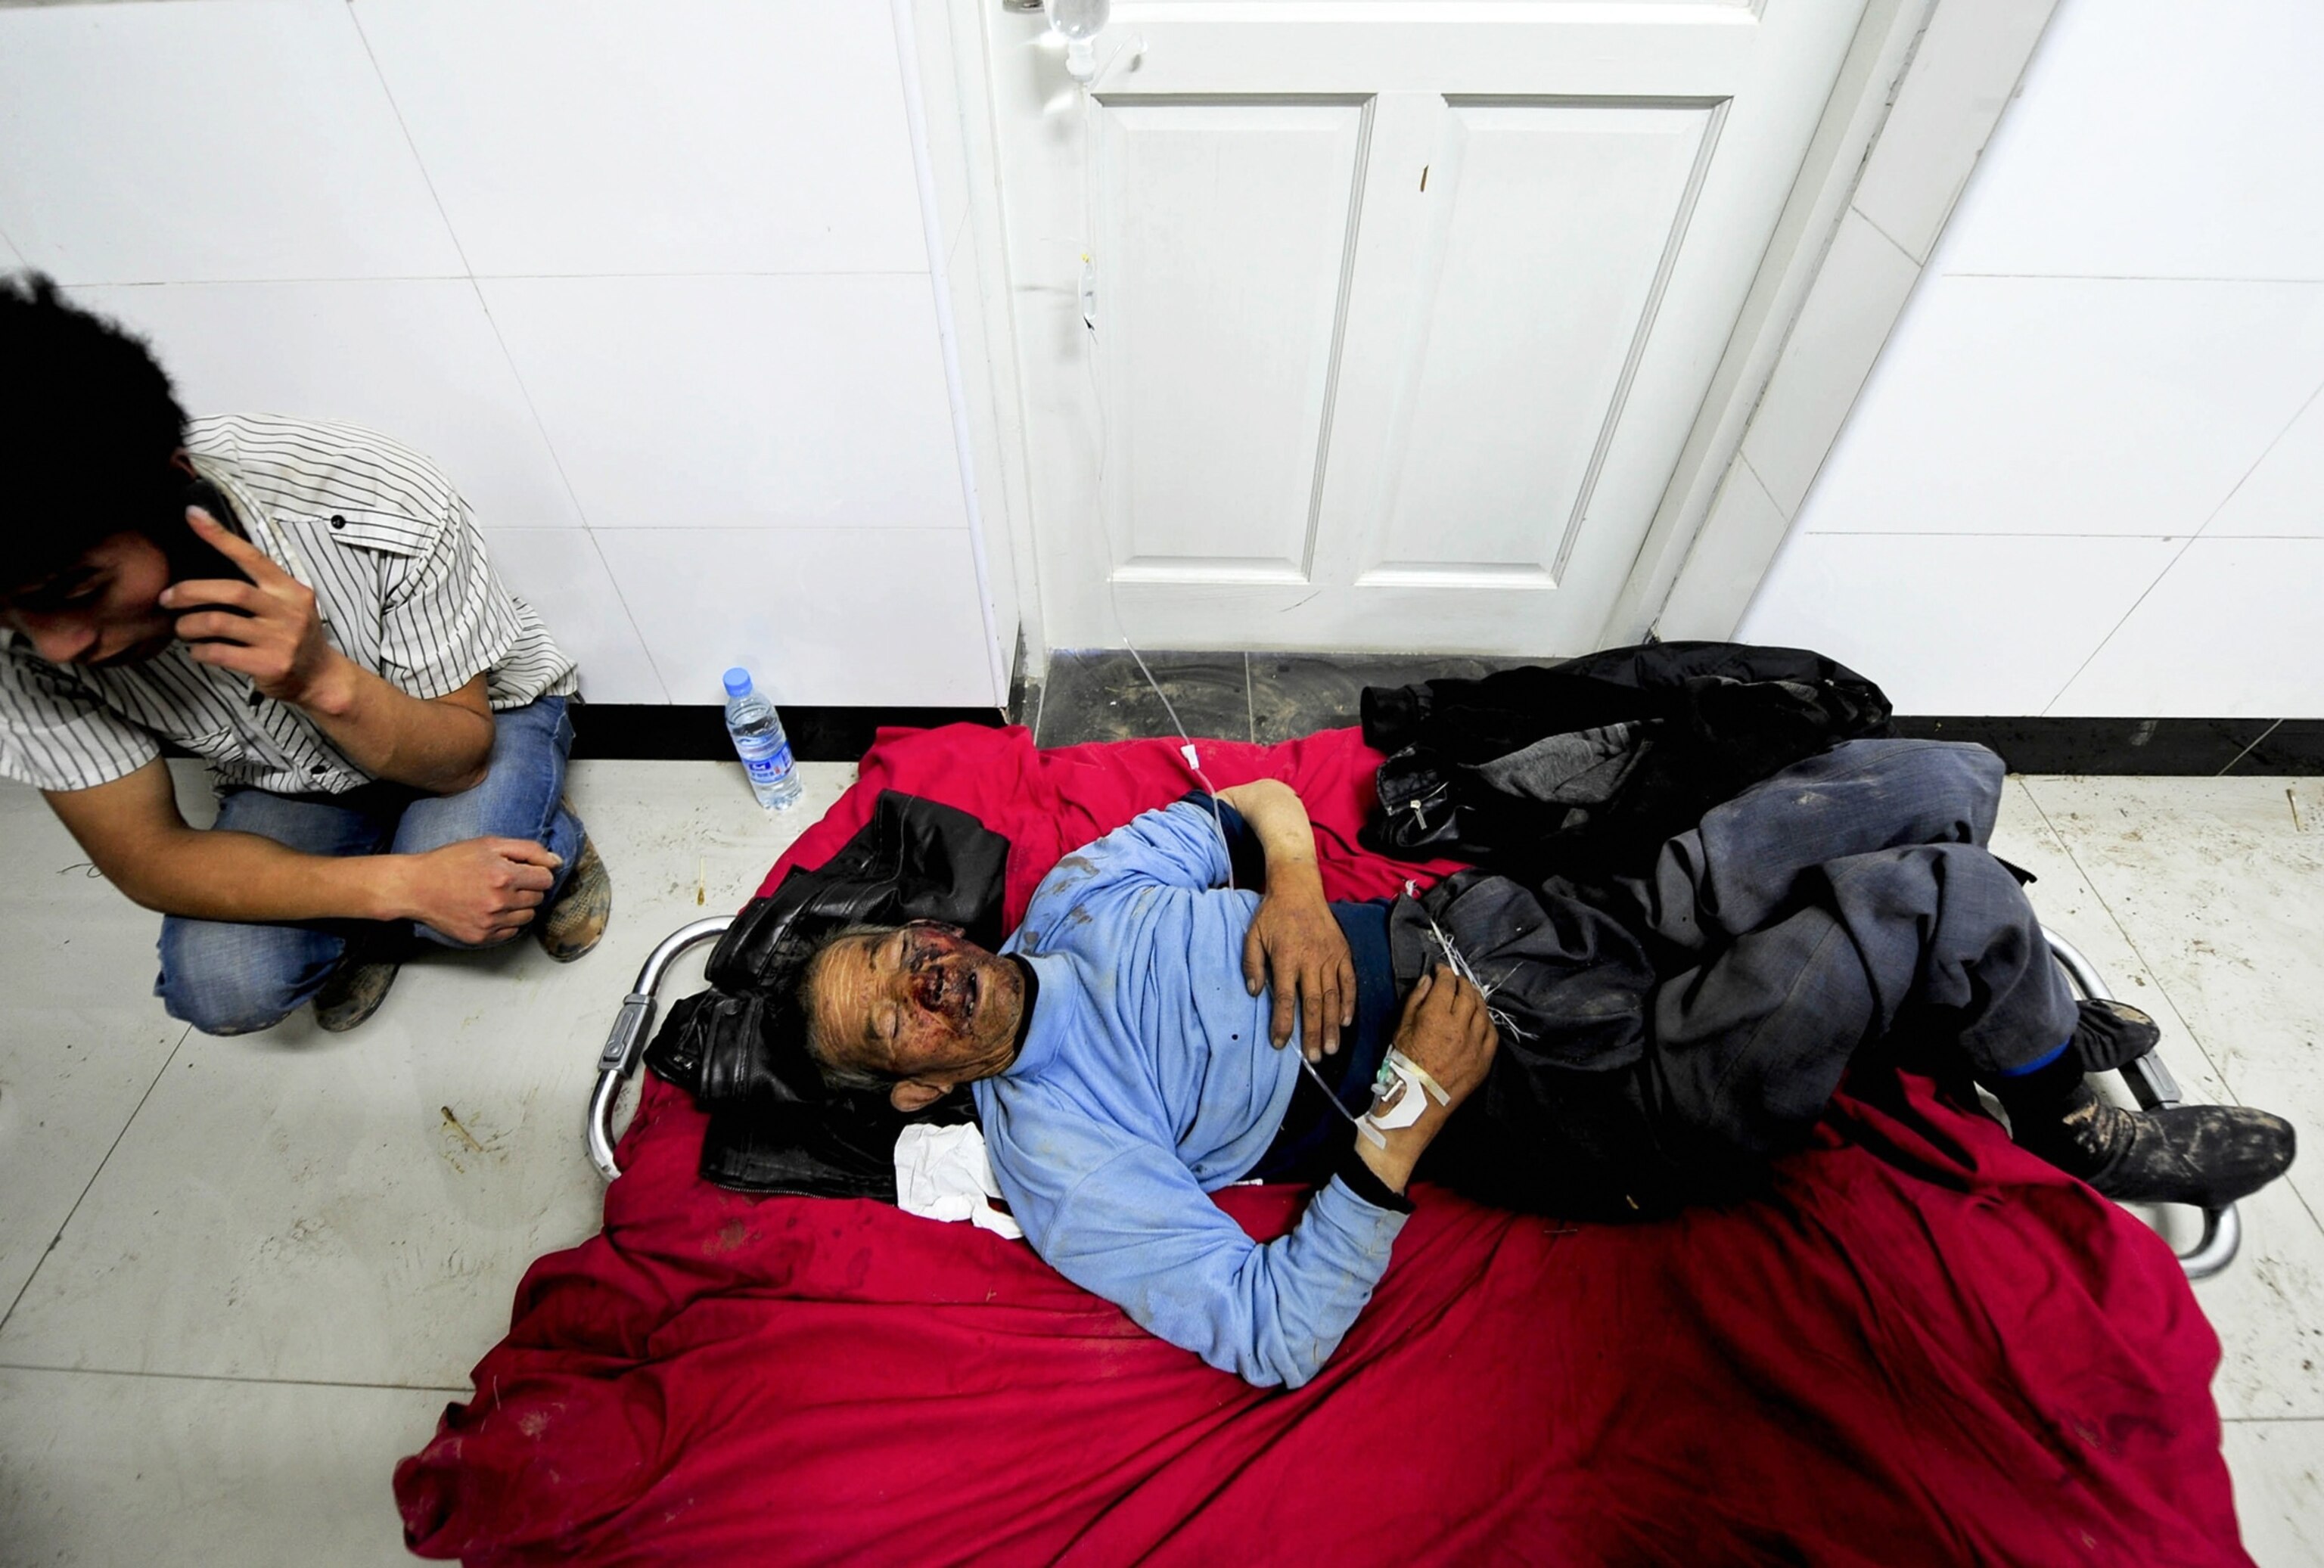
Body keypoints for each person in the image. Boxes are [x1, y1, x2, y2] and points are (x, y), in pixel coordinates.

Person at [792, 742, 2297, 1389]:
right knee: (1936, 897)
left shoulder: (1070, 897)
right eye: (896, 1018)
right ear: (924, 1087)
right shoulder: (1059, 1150)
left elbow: (1250, 800)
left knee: (1936, 779)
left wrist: (1301, 886)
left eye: (902, 951)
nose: (923, 975)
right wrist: (1406, 1107)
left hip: (1534, 922)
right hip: (1559, 1082)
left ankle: (1992, 1010)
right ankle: (2064, 1108)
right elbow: (1268, 1333)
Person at [0, 273, 611, 1035]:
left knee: (472, 907)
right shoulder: (24, 641)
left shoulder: (369, 499)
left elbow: (460, 759)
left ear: (176, 493)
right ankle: (389, 894)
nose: (56, 647)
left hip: (467, 727)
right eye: (10, 615)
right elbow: (147, 857)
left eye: (79, 588)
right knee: (225, 987)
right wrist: (397, 886)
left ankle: (552, 838)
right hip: (291, 776)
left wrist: (321, 679)